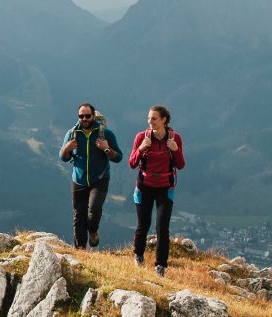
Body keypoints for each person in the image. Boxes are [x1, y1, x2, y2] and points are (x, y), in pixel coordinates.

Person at [129, 104, 184, 276]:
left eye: (154, 118)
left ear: (164, 120)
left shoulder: (175, 139)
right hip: (144, 186)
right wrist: (141, 149)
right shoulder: (141, 137)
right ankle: (138, 256)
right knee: (143, 225)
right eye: (148, 118)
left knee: (162, 228)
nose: (150, 121)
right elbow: (132, 163)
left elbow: (181, 165)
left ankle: (160, 266)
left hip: (165, 188)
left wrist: (175, 150)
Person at [58, 103, 120, 250]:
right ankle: (80, 250)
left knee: (94, 209)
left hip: (99, 179)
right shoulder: (72, 133)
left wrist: (106, 148)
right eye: (81, 116)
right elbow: (63, 157)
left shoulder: (106, 134)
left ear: (93, 116)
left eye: (87, 116)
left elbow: (118, 157)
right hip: (78, 180)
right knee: (79, 215)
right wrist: (66, 149)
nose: (84, 119)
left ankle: (93, 231)